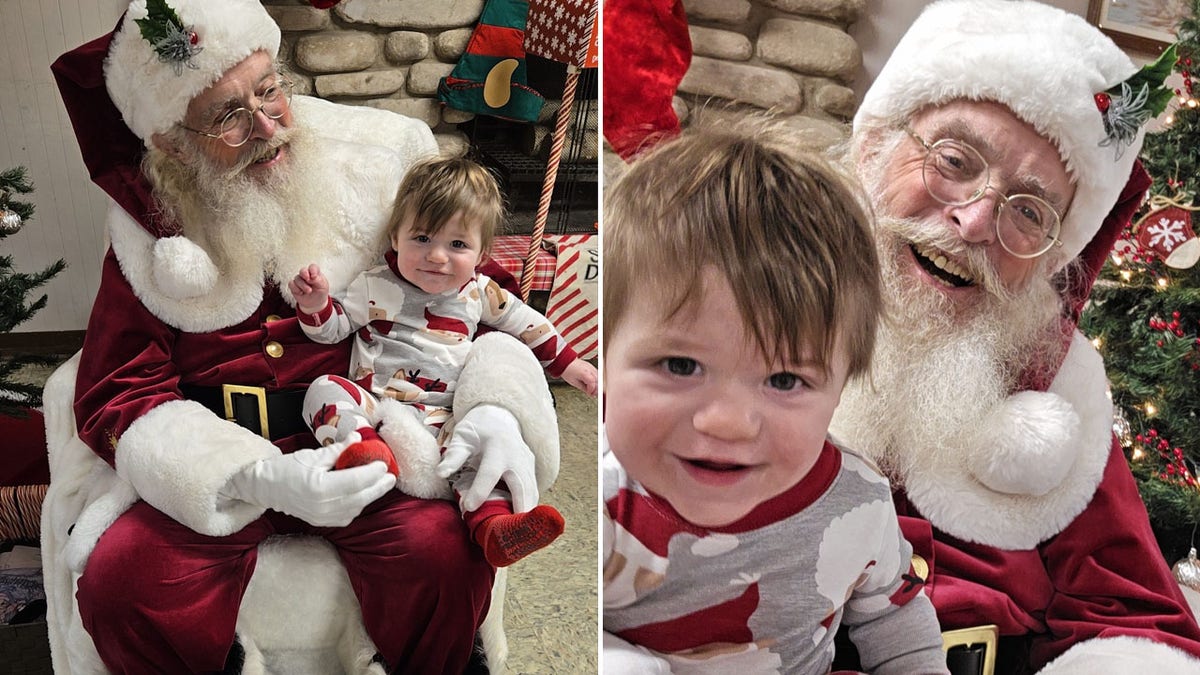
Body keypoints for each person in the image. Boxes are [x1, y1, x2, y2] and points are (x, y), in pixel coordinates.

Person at [47, 0, 560, 672]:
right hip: (225, 463)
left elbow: (480, 291)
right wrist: (251, 474)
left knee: (445, 553)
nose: (265, 125)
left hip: (364, 435)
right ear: (172, 140)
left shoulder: (373, 171)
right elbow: (118, 388)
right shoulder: (148, 232)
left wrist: (492, 405)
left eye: (268, 91)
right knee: (121, 584)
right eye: (228, 114)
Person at [828, 0, 1200, 672]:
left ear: (1056, 254)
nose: (974, 221)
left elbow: (1142, 624)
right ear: (873, 146)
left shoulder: (1056, 383)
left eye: (1028, 210)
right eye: (954, 159)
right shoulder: (749, 307)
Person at [601, 118, 950, 674]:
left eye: (786, 380)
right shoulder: (603, 502)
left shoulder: (858, 504)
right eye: (680, 364)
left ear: (841, 389)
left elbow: (893, 619)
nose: (729, 422)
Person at [289, 155, 598, 568]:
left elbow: (530, 325)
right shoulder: (374, 284)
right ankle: (362, 453)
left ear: (481, 253)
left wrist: (570, 365)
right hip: (376, 407)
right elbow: (331, 329)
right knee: (323, 389)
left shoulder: (479, 292)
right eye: (421, 238)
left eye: (457, 245)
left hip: (443, 417)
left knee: (481, 454)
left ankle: (494, 527)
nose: (436, 256)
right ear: (395, 238)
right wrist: (315, 303)